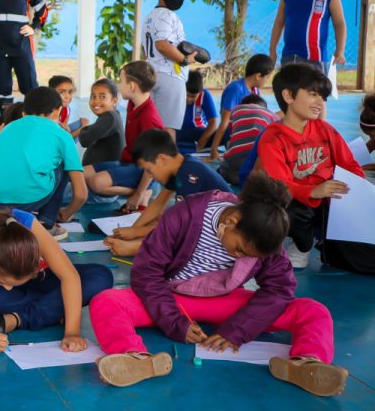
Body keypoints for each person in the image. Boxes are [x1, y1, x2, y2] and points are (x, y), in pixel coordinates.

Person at [89, 175, 349, 398]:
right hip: (172, 297)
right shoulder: (187, 215)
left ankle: (306, 363)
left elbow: (279, 288)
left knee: (313, 310)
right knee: (106, 301)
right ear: (232, 221)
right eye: (240, 249)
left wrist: (237, 330)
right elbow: (147, 272)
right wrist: (175, 321)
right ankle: (134, 357)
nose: (240, 257)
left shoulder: (263, 233)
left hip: (225, 302)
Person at [0, 210, 113, 352]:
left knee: (101, 276)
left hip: (38, 284)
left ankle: (18, 318)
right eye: (2, 280)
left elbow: (69, 276)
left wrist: (72, 332)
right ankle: (54, 307)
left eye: (13, 282)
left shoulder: (28, 225)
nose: (9, 287)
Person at [255, 63, 364, 269]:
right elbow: (281, 184)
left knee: (354, 256)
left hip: (328, 203)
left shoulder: (325, 130)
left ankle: (326, 243)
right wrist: (313, 191)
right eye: (313, 94)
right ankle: (302, 244)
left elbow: (350, 165)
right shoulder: (272, 138)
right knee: (292, 210)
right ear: (288, 96)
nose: (320, 102)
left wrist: (357, 191)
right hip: (295, 204)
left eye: (322, 97)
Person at [0, 86, 88, 239]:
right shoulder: (62, 135)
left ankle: (9, 216)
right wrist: (66, 213)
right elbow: (81, 194)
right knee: (63, 163)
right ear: (58, 111)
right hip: (29, 198)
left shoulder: (8, 127)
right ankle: (47, 222)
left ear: (24, 112)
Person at [104, 129, 231, 257]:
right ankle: (136, 245)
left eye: (148, 170)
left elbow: (179, 225)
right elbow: (157, 204)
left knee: (173, 231)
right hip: (210, 227)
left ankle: (138, 248)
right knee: (161, 221)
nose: (150, 175)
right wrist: (131, 231)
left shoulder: (189, 174)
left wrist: (137, 233)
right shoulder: (180, 167)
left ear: (161, 159)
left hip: (225, 235)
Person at [84, 61, 164, 213]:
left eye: (121, 81)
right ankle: (141, 191)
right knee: (81, 174)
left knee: (95, 183)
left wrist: (138, 194)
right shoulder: (133, 103)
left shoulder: (149, 118)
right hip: (126, 161)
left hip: (143, 169)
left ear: (132, 86)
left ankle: (142, 192)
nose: (119, 86)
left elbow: (152, 162)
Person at [268, 0, 347, 72]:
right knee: (288, 90)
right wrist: (272, 50)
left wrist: (340, 51)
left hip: (316, 59)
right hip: (290, 57)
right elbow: (279, 22)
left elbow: (340, 24)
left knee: (315, 90)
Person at [143, 0, 195, 140]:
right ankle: (168, 165)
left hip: (153, 74)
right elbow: (162, 44)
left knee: (154, 128)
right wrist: (186, 60)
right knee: (168, 130)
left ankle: (151, 164)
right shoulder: (167, 15)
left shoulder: (150, 16)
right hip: (170, 76)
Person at [209, 54, 275, 160]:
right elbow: (225, 121)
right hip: (236, 137)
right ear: (258, 76)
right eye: (267, 77)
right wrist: (214, 148)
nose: (267, 80)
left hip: (250, 135)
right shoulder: (235, 90)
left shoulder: (255, 90)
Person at [218, 94, 277, 185]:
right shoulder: (272, 116)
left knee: (223, 167)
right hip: (259, 169)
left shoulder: (236, 110)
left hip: (236, 164)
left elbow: (230, 139)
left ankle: (237, 177)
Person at [77, 78, 125, 166]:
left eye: (102, 97)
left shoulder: (110, 117)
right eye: (93, 96)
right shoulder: (112, 115)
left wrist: (83, 128)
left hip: (103, 173)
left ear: (114, 101)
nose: (96, 101)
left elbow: (85, 140)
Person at [175, 70, 218, 154]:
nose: (189, 99)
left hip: (198, 132)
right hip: (179, 131)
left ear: (200, 92)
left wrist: (200, 145)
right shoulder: (176, 91)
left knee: (225, 132)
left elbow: (214, 123)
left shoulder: (205, 94)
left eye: (193, 96)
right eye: (187, 95)